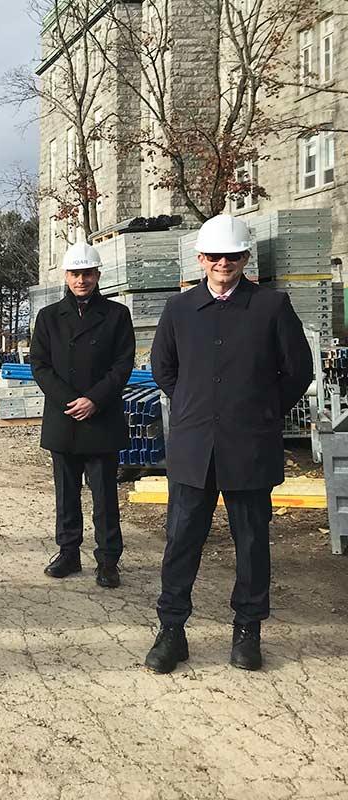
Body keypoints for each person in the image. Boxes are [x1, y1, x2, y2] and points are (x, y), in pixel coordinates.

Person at [145, 214, 313, 674]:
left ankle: (248, 630)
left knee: (253, 542)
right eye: (215, 256)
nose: (224, 263)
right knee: (182, 540)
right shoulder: (179, 310)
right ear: (201, 259)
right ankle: (172, 631)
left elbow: (298, 371)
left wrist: (262, 409)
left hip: (250, 447)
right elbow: (163, 368)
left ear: (245, 259)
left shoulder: (271, 308)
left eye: (233, 256)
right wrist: (195, 405)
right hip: (194, 448)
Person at [29, 241, 134, 588]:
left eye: (87, 273)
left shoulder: (117, 315)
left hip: (100, 417)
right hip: (64, 418)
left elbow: (123, 365)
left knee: (104, 495)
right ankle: (68, 553)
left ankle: (107, 559)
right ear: (66, 275)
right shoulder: (48, 318)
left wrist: (94, 400)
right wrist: (68, 401)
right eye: (75, 273)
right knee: (66, 493)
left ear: (98, 274)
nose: (82, 280)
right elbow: (40, 366)